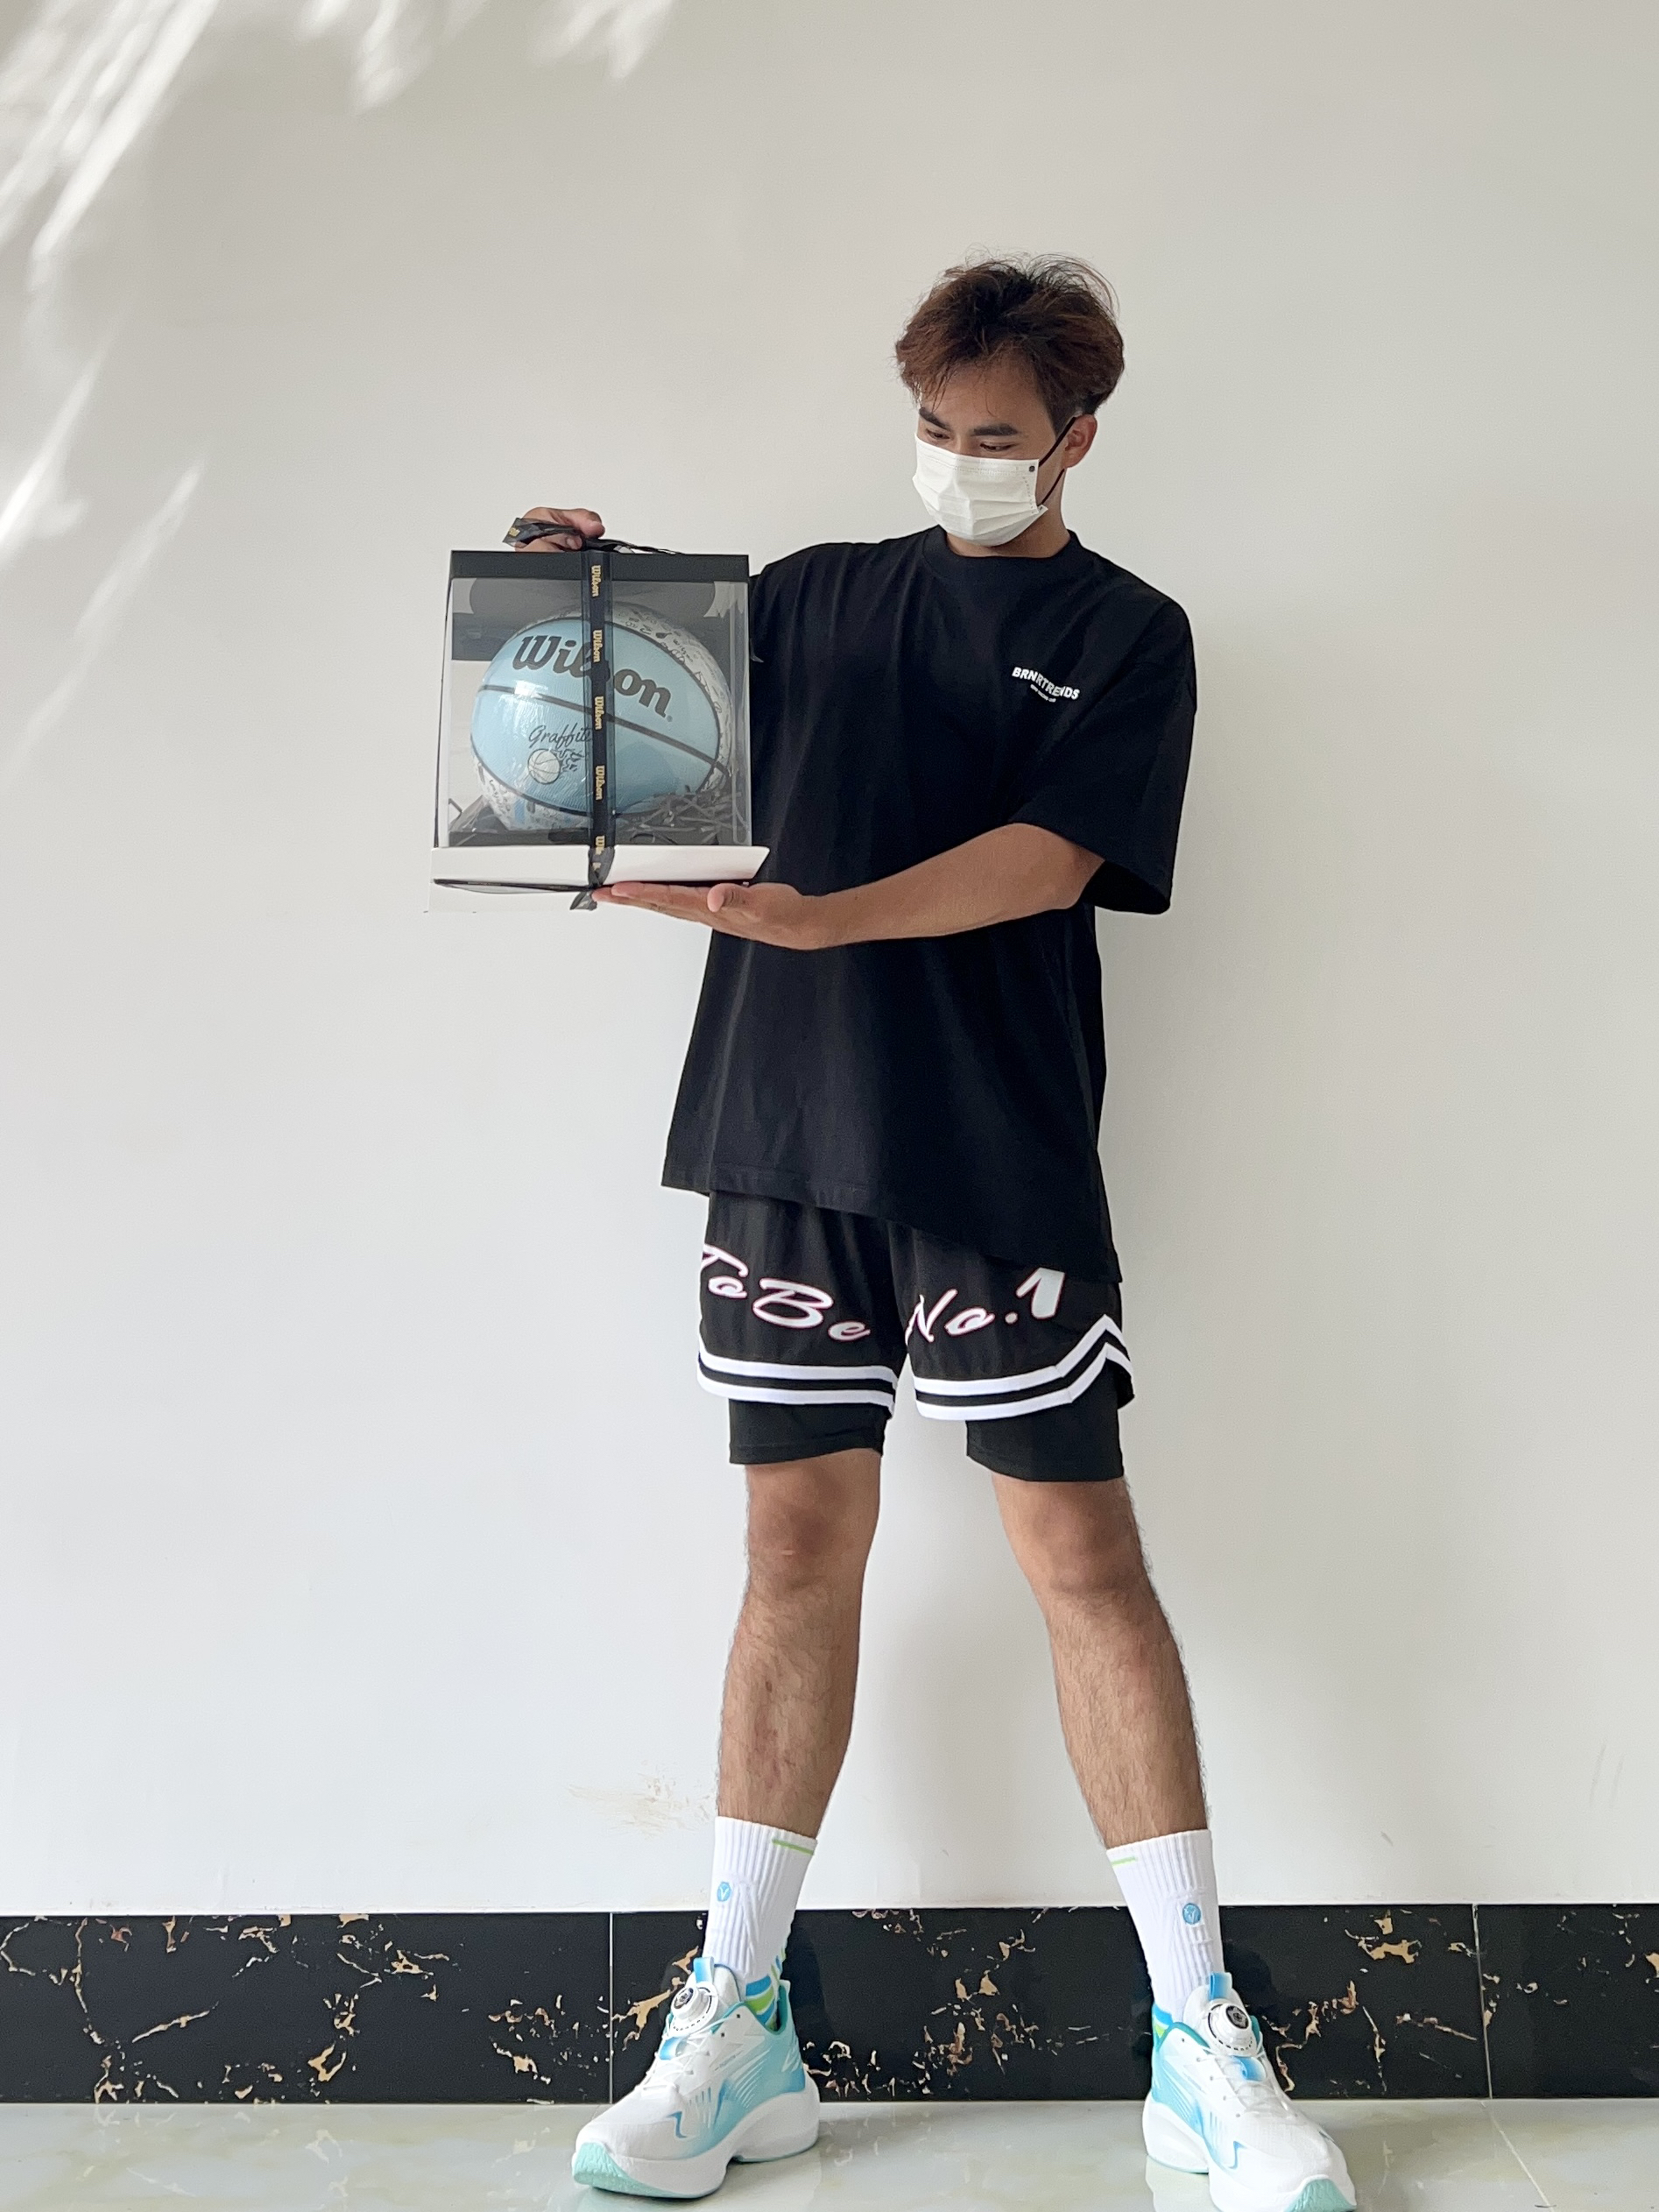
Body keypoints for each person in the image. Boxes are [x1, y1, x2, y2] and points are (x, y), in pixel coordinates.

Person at [524, 258, 1354, 2212]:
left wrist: (827, 915)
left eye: (993, 437)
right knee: (790, 1553)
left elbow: (1047, 861)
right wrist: (579, 590)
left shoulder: (1123, 632)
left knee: (1081, 1560)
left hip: (991, 1152)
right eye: (930, 428)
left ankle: (1197, 2045)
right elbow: (647, 711)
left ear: (1075, 439)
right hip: (785, 1132)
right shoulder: (814, 593)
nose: (955, 461)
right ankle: (735, 2030)